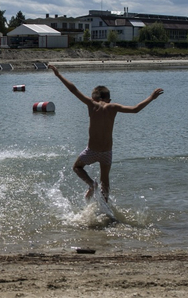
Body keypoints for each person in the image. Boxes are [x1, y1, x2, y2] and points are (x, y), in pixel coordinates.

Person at [49, 64, 163, 202]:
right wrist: (151, 97)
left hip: (92, 150)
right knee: (105, 181)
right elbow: (135, 109)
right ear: (108, 99)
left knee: (77, 167)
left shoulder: (92, 104)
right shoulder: (113, 107)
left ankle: (92, 184)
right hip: (107, 152)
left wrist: (58, 75)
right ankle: (105, 207)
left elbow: (73, 89)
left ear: (94, 97)